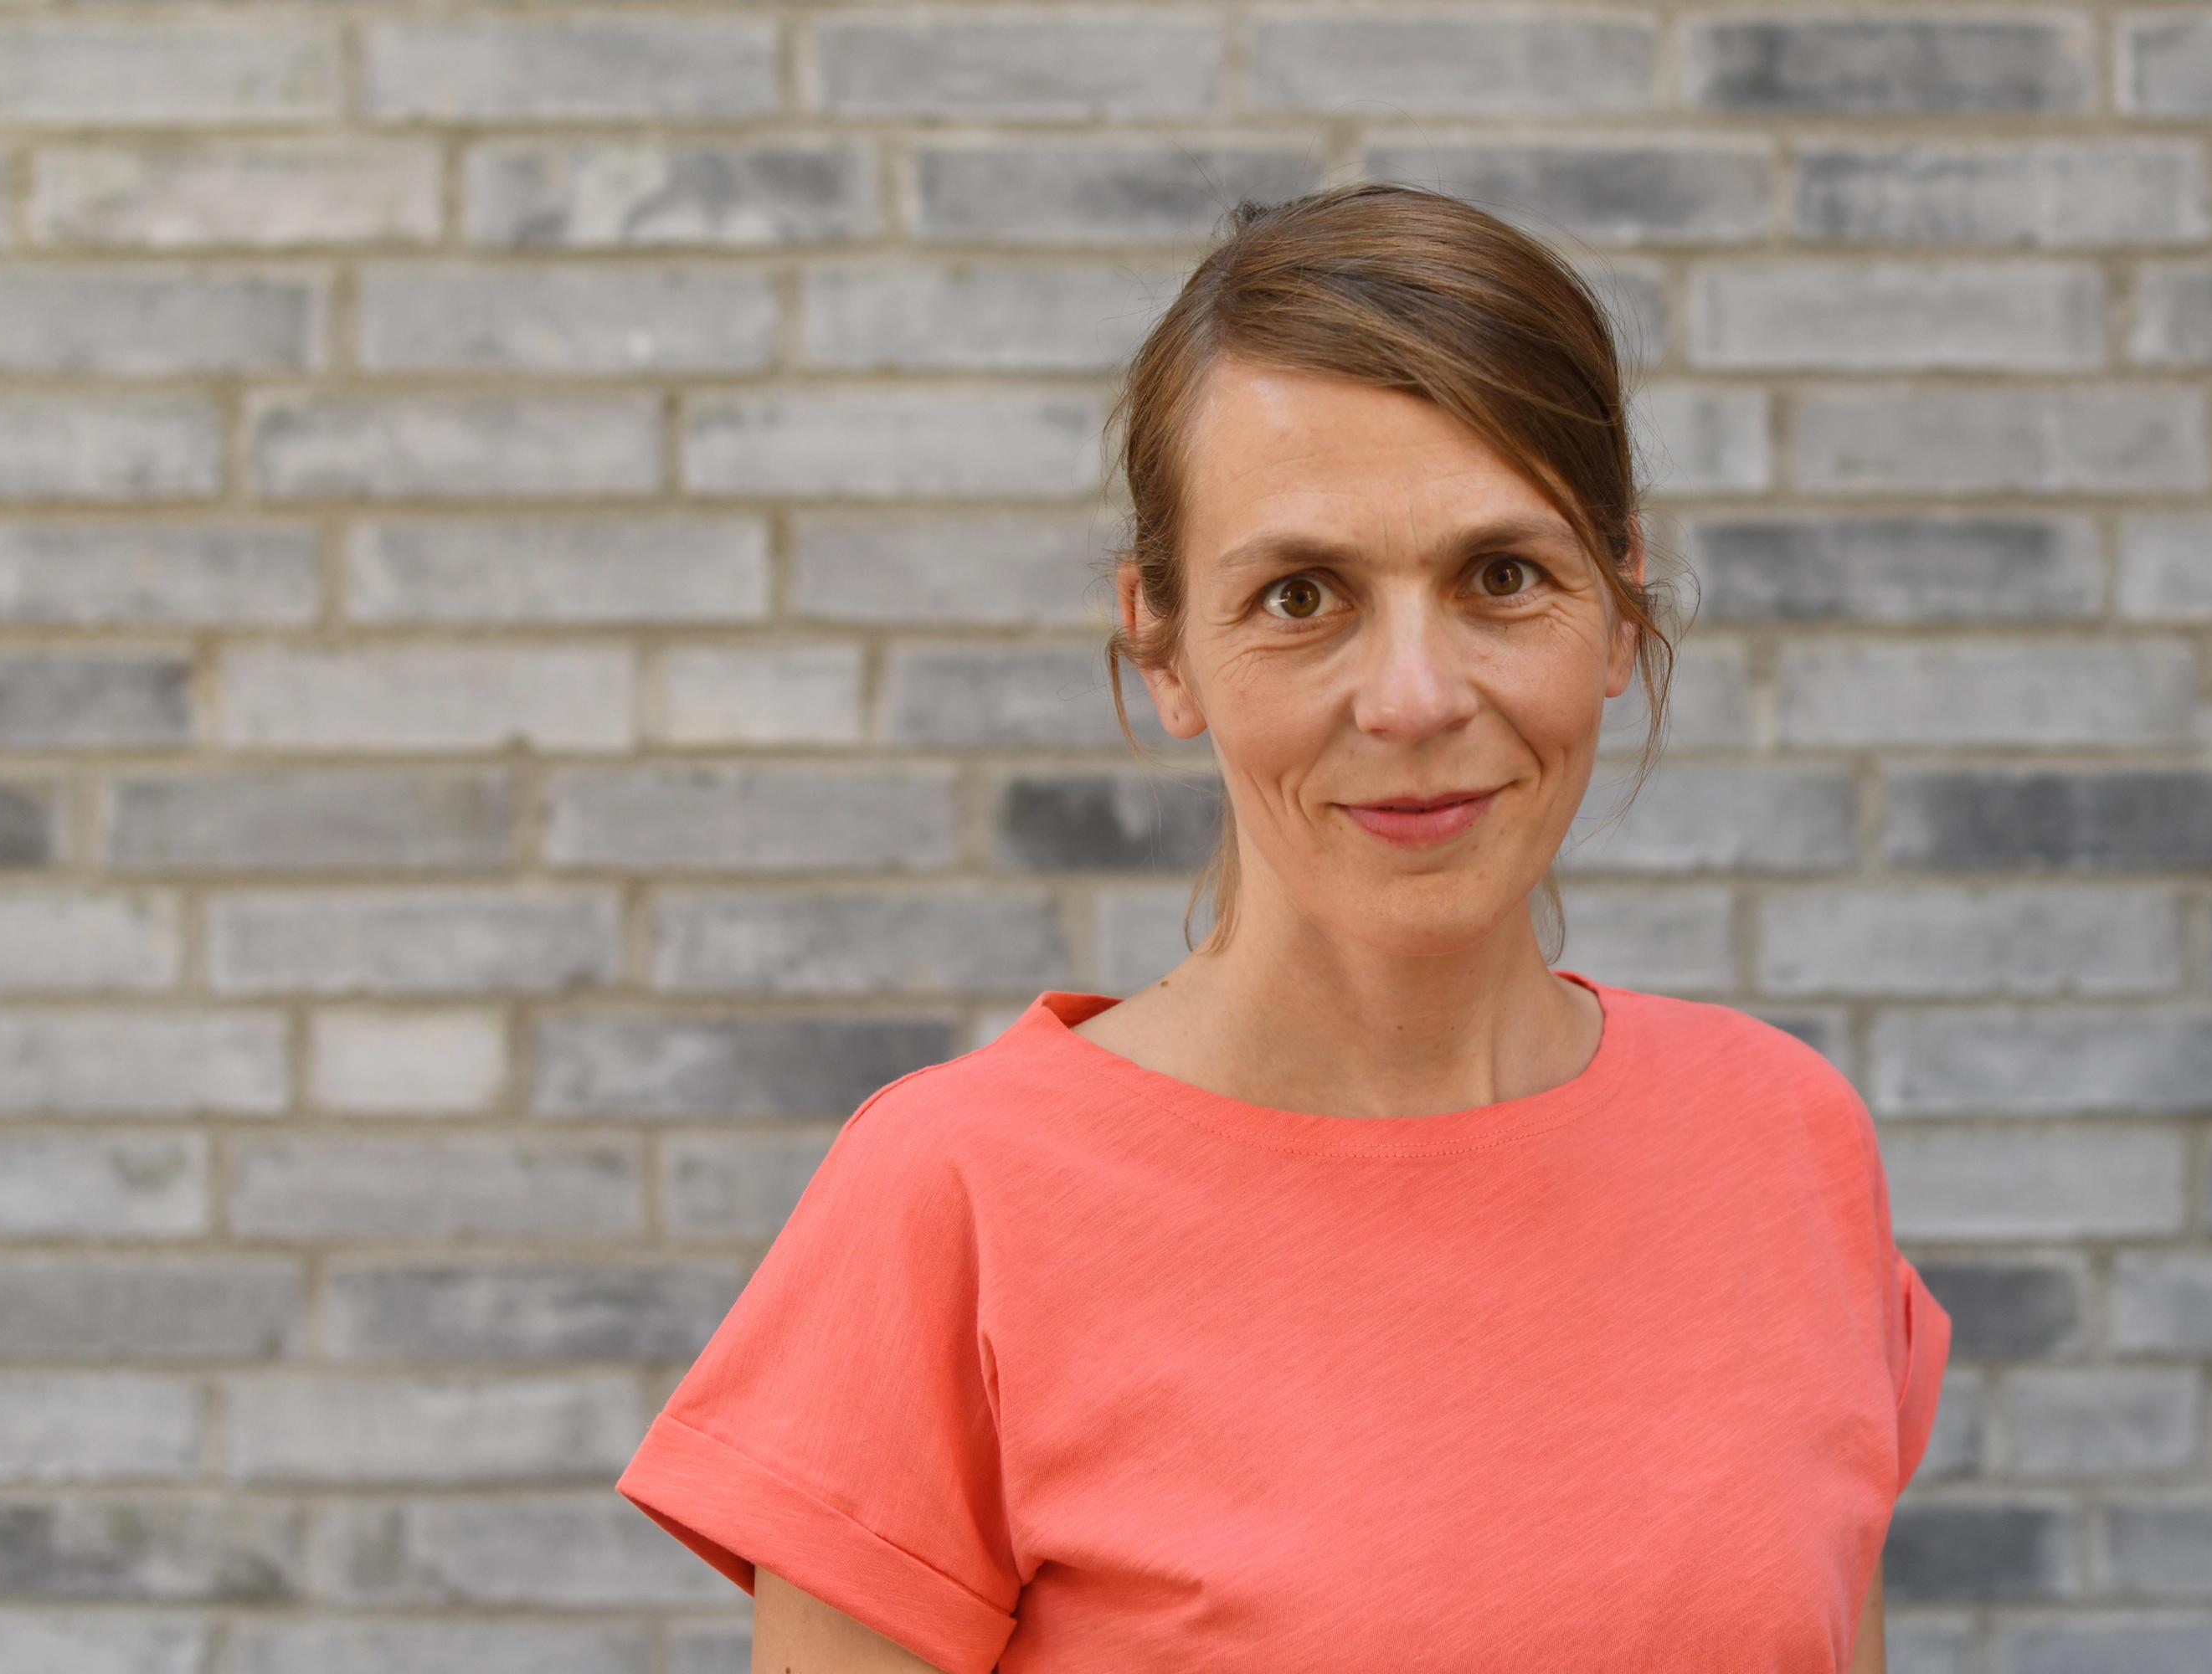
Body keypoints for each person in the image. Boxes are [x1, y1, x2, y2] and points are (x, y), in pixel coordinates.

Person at [615, 181, 1952, 1674]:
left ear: (1620, 604)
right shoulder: (954, 1201)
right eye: (1303, 595)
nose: (1414, 700)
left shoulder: (1786, 1141)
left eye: (1502, 576)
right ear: (1164, 645)